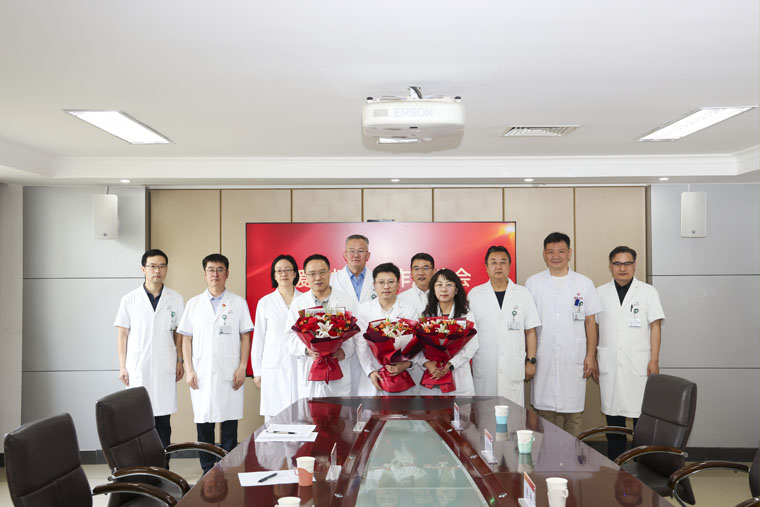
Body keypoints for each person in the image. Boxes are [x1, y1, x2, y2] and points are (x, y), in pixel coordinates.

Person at [178, 253, 253, 474]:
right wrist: (189, 369)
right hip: (200, 372)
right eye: (211, 270)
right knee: (204, 423)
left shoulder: (238, 303)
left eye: (220, 270)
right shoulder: (193, 304)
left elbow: (245, 337)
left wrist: (242, 367)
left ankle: (227, 469)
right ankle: (207, 469)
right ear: (204, 274)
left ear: (227, 273)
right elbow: (186, 339)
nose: (215, 274)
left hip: (230, 371)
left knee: (229, 424)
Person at [525, 232, 602, 437]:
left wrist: (591, 355)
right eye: (551, 252)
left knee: (574, 415)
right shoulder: (533, 283)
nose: (556, 256)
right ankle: (547, 455)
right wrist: (529, 358)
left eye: (561, 251)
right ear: (544, 254)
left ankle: (572, 456)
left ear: (570, 253)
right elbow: (528, 325)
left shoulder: (584, 283)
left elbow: (590, 322)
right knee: (544, 414)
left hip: (574, 356)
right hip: (544, 356)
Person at [113, 248, 184, 466]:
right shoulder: (129, 299)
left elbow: (179, 333)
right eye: (152, 266)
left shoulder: (176, 299)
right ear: (143, 269)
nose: (157, 271)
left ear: (166, 269)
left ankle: (163, 468)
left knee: (162, 422)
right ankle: (141, 469)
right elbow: (122, 334)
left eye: (161, 266)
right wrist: (122, 366)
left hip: (164, 366)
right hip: (138, 367)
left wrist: (180, 360)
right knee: (138, 422)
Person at [596, 246, 665, 459]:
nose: (622, 268)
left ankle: (640, 464)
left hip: (639, 364)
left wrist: (654, 360)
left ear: (635, 265)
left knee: (640, 419)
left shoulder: (647, 292)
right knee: (614, 420)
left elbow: (655, 327)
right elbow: (594, 329)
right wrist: (594, 358)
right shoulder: (599, 293)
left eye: (627, 263)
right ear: (610, 266)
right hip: (610, 363)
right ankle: (616, 464)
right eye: (617, 263)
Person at [469, 245, 540, 406]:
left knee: (513, 415)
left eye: (503, 262)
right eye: (493, 262)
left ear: (509, 266)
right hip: (485, 366)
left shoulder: (522, 294)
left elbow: (530, 331)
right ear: (486, 267)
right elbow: (468, 335)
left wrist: (531, 361)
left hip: (512, 366)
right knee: (484, 414)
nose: (498, 266)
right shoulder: (475, 295)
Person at [285, 254, 358, 398]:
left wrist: (344, 352)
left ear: (330, 273)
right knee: (311, 411)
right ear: (305, 276)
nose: (318, 278)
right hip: (310, 373)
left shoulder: (346, 301)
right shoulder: (299, 303)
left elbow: (355, 336)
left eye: (322, 272)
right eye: (312, 274)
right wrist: (306, 350)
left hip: (338, 372)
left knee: (340, 411)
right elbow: (289, 337)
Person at [355, 263, 421, 396]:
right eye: (381, 282)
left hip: (402, 375)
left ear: (398, 285)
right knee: (373, 409)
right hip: (374, 374)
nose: (386, 286)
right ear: (374, 285)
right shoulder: (364, 309)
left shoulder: (409, 310)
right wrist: (370, 371)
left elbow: (417, 342)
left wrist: (407, 364)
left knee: (403, 408)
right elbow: (360, 344)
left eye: (391, 282)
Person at [251, 254, 301, 422]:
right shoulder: (265, 303)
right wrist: (257, 371)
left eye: (287, 270)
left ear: (295, 273)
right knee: (274, 419)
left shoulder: (306, 300)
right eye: (279, 271)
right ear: (274, 275)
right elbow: (258, 339)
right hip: (274, 367)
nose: (283, 274)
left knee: (301, 417)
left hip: (300, 365)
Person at [417, 268, 479, 397]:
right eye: (439, 285)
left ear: (456, 290)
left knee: (461, 409)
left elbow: (472, 346)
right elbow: (417, 346)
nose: (444, 289)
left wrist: (450, 365)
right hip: (433, 374)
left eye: (449, 285)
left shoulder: (466, 316)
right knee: (433, 409)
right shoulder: (425, 316)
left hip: (458, 374)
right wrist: (428, 364)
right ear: (433, 290)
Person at [330, 234, 376, 303]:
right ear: (345, 255)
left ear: (368, 255)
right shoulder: (332, 279)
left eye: (361, 251)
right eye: (352, 251)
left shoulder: (377, 279)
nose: (356, 255)